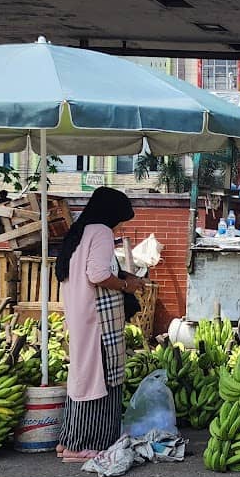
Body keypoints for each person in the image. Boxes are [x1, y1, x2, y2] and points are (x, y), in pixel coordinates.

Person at [54, 187, 146, 462]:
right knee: (100, 380)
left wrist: (126, 276)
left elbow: (94, 270)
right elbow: (98, 274)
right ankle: (81, 446)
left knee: (82, 376)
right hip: (98, 320)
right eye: (120, 219)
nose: (119, 226)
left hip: (81, 314)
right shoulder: (101, 232)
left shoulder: (81, 230)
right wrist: (128, 285)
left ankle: (68, 439)